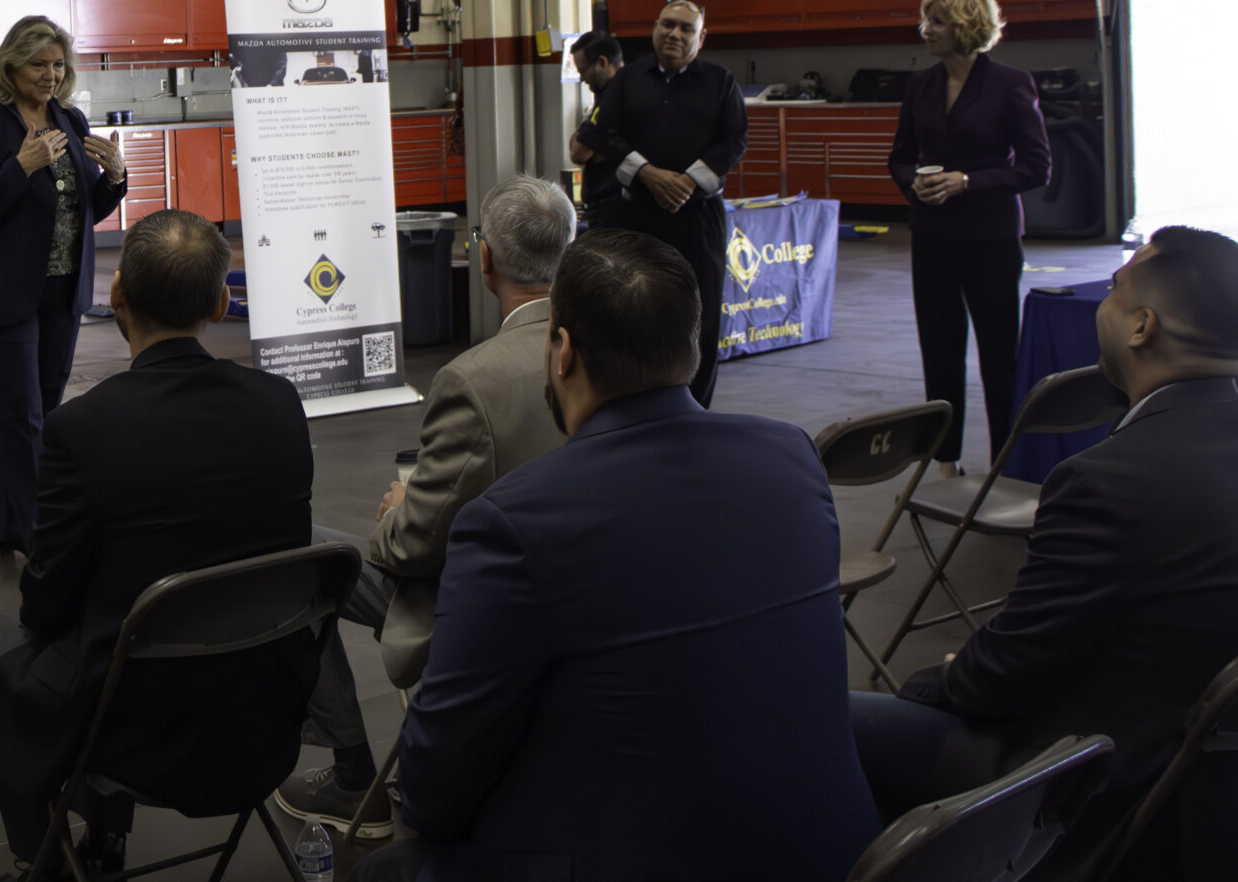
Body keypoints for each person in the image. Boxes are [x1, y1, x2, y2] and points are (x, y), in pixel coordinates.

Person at [373, 229, 878, 881]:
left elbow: (434, 790)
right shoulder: (791, 455)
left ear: (560, 352)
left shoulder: (511, 522)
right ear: (693, 349)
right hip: (831, 852)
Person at [850, 228, 1238, 881]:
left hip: (1095, 786)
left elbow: (995, 681)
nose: (1105, 304)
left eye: (1115, 293)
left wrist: (927, 683)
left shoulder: (1107, 481)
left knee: (831, 720)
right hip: (1236, 795)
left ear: (1142, 327)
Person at [0, 210, 318, 881]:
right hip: (264, 725)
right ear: (222, 299)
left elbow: (43, 609)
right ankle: (103, 840)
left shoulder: (81, 430)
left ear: (116, 294)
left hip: (130, 732)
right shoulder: (279, 404)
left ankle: (45, 859)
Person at [275, 174, 574, 836]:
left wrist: (395, 512)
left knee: (297, 554)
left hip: (482, 612)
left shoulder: (475, 379)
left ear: (485, 258)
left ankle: (356, 778)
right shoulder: (606, 349)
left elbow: (413, 548)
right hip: (580, 601)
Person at [0, 15, 129, 557]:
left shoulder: (68, 118)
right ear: (11, 65)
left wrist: (114, 177)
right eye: (38, 64)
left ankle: (11, 526)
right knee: (22, 419)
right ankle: (44, 542)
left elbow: (83, 207)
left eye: (58, 64)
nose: (50, 75)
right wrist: (19, 168)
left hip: (59, 290)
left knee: (40, 414)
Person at [886, 0, 1051, 472]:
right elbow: (899, 158)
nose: (925, 30)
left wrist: (968, 182)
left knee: (999, 354)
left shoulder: (1011, 83)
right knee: (938, 349)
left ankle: (1005, 458)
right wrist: (915, 183)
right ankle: (944, 459)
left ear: (965, 26)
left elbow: (1036, 169)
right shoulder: (920, 85)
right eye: (925, 19)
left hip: (991, 237)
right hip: (932, 235)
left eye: (936, 21)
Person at [578, 0, 747, 407]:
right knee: (637, 310)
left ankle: (697, 411)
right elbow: (602, 135)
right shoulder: (628, 81)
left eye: (686, 28)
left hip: (698, 219)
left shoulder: (721, 82)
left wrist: (688, 183)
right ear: (654, 28)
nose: (674, 34)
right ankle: (639, 409)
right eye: (667, 25)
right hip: (637, 217)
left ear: (701, 37)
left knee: (700, 318)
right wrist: (647, 173)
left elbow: (734, 142)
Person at [565, 29, 626, 219]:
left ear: (602, 62)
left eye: (583, 71)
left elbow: (579, 153)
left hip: (616, 210)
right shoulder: (605, 94)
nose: (582, 79)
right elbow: (580, 147)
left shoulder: (617, 96)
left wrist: (598, 150)